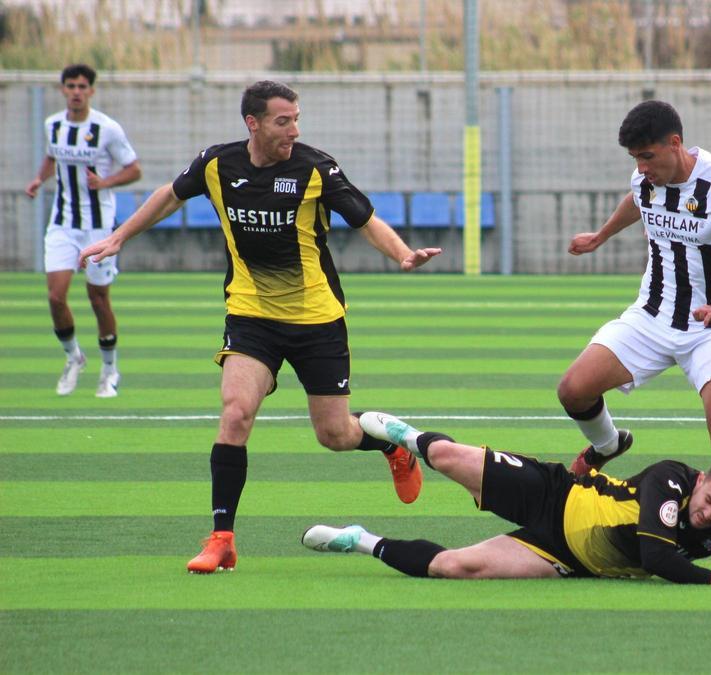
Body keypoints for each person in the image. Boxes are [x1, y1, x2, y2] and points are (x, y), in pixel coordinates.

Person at [79, 80, 442, 572]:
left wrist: (402, 255)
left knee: (334, 434)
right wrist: (120, 235)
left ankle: (393, 449)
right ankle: (221, 538)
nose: (293, 129)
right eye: (282, 121)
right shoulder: (216, 164)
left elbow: (365, 219)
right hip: (252, 315)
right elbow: (169, 195)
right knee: (235, 414)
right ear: (253, 123)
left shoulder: (315, 167)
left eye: (296, 119)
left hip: (318, 319)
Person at [558, 100, 711, 479]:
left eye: (647, 156)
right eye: (634, 159)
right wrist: (600, 236)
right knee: (573, 389)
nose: (641, 168)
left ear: (675, 143)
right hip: (652, 315)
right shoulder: (645, 179)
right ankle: (609, 444)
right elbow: (637, 201)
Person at [301, 412, 711, 584]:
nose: (708, 514)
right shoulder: (671, 479)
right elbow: (656, 555)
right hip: (555, 493)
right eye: (708, 499)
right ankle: (403, 438)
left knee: (452, 567)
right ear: (704, 478)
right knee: (445, 457)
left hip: (564, 558)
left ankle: (360, 540)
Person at [25, 64, 142, 398]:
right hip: (61, 223)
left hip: (97, 226)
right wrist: (38, 178)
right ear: (63, 90)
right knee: (55, 296)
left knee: (98, 297)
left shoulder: (107, 129)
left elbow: (134, 170)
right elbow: (52, 157)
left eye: (81, 86)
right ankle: (73, 356)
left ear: (91, 90)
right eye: (70, 86)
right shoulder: (54, 125)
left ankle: (109, 369)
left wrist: (105, 182)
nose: (76, 91)